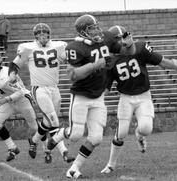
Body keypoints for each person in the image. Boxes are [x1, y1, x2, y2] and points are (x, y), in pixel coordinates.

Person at [46, 14, 136, 179]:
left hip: (99, 96)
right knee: (75, 134)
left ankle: (74, 169)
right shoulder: (75, 47)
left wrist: (130, 45)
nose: (97, 30)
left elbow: (128, 51)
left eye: (96, 26)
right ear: (83, 31)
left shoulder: (105, 39)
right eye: (92, 28)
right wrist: (95, 65)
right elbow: (73, 75)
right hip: (81, 95)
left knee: (95, 138)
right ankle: (57, 136)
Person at [101, 25, 177, 174]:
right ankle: (110, 164)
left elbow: (163, 61)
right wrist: (95, 100)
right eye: (119, 38)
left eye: (124, 36)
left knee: (146, 128)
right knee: (121, 133)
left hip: (143, 96)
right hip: (126, 98)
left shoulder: (140, 48)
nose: (123, 41)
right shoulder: (110, 60)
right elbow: (106, 88)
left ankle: (139, 135)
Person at [9, 23, 74, 164]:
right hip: (39, 88)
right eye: (40, 34)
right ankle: (64, 152)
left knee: (47, 121)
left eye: (45, 34)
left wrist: (72, 64)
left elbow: (69, 60)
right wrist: (12, 74)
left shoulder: (59, 46)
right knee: (54, 121)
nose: (43, 37)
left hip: (54, 88)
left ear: (49, 35)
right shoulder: (28, 48)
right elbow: (15, 64)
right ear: (35, 36)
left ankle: (33, 140)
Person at [0, 53, 38, 162]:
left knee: (35, 128)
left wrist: (5, 100)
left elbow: (19, 92)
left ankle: (46, 149)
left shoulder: (7, 74)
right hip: (8, 101)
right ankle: (12, 148)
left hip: (22, 100)